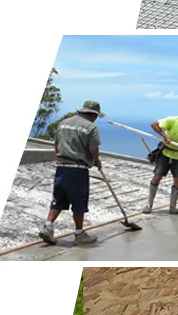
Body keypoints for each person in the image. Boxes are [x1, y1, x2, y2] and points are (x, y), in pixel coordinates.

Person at [38, 100, 105, 246]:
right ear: (93, 114)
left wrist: (62, 157)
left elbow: (56, 144)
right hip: (78, 170)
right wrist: (96, 161)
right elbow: (93, 148)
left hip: (61, 168)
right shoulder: (91, 127)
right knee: (78, 203)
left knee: (58, 199)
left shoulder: (64, 123)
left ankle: (48, 226)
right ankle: (79, 234)